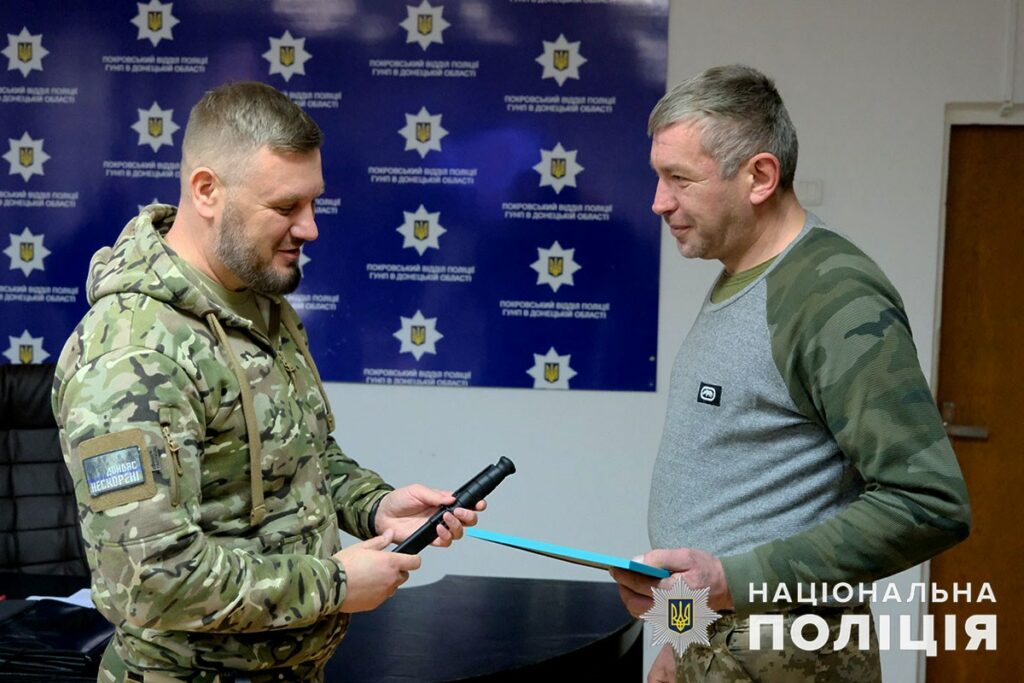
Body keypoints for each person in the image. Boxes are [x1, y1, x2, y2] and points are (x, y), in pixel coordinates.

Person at [52, 81, 483, 683]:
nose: (309, 229)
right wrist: (334, 583)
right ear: (207, 191)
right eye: (285, 208)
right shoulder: (132, 353)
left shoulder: (257, 301)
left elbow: (299, 460)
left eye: (313, 204)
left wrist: (376, 506)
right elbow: (147, 579)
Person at [610, 65, 971, 682]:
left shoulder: (831, 296)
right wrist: (679, 637)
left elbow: (930, 502)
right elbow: (731, 507)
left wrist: (726, 585)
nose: (659, 201)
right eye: (657, 177)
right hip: (713, 650)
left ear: (760, 176)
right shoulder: (738, 277)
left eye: (680, 179)